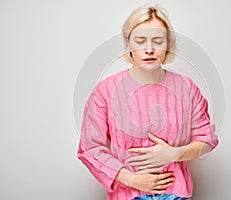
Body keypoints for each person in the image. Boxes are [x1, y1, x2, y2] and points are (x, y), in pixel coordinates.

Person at [77, 4, 218, 200]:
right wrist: (130, 179)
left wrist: (174, 154)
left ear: (168, 45)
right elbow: (89, 147)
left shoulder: (187, 88)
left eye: (158, 41)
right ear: (129, 44)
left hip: (175, 194)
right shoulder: (105, 91)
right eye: (141, 41)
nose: (149, 49)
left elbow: (206, 139)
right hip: (127, 195)